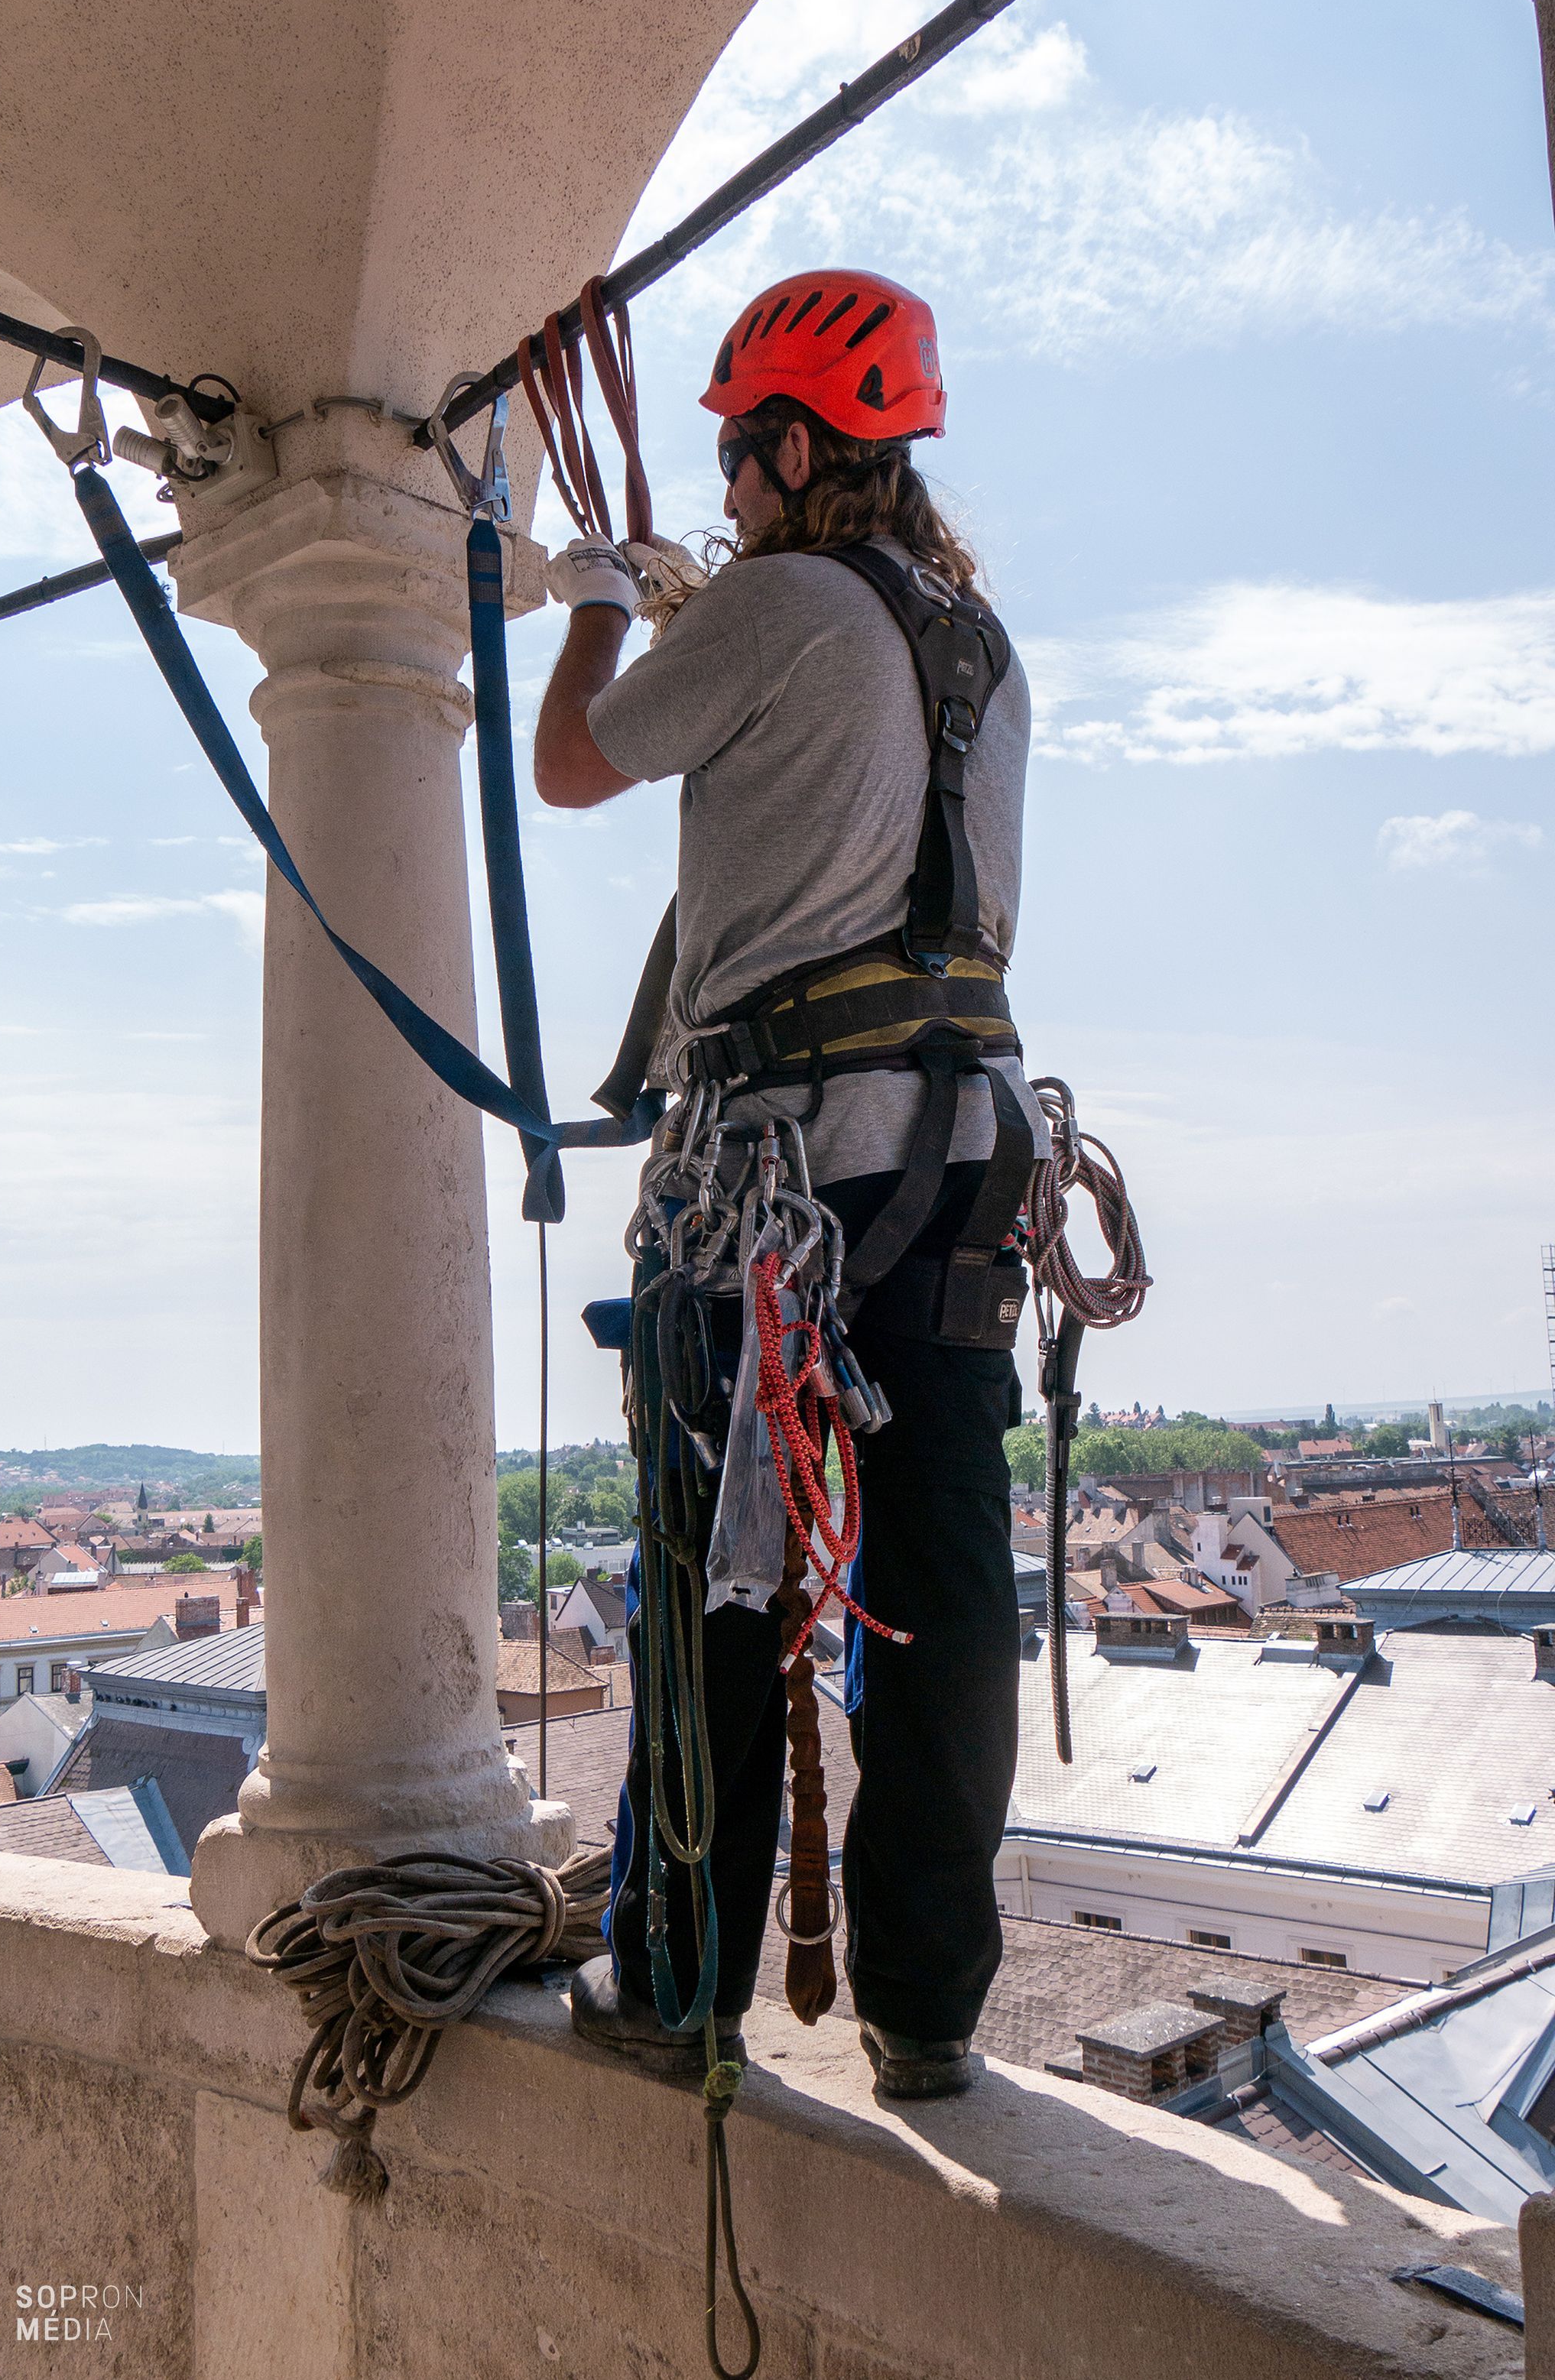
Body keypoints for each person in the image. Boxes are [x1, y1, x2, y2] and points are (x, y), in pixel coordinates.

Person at [533, 268, 1034, 2099]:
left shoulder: (777, 603)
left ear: (804, 443)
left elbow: (572, 763)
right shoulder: (977, 647)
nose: (729, 493)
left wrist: (597, 612)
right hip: (959, 1180)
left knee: (718, 1585)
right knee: (949, 1589)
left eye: (745, 457)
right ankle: (928, 2006)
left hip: (772, 1197)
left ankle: (673, 1980)